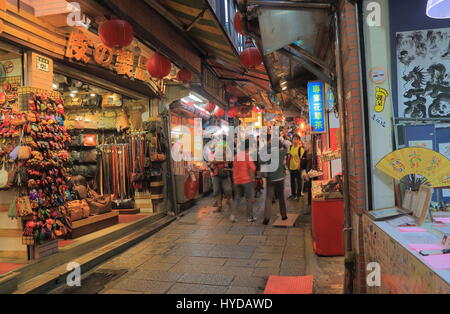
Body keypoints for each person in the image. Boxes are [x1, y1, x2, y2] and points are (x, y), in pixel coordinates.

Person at [261, 134, 288, 225]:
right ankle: (284, 215)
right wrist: (282, 144)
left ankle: (266, 218)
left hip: (271, 179)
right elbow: (286, 149)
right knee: (281, 197)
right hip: (280, 178)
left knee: (268, 198)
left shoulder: (268, 152)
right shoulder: (281, 152)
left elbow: (261, 160)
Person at [230, 139, 256, 223]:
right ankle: (249, 217)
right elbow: (253, 168)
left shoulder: (236, 156)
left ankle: (233, 216)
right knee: (249, 198)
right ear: (248, 148)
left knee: (237, 198)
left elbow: (234, 168)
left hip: (237, 181)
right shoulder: (247, 156)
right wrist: (252, 179)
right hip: (246, 181)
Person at [207, 142, 232, 213]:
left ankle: (228, 201)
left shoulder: (226, 149)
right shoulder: (211, 153)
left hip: (225, 172)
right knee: (216, 190)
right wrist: (213, 163)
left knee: (227, 190)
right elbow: (210, 162)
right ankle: (219, 206)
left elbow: (228, 160)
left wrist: (215, 161)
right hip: (215, 173)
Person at [287, 134, 306, 201]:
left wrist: (299, 167)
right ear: (292, 140)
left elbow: (302, 160)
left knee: (299, 182)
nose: (295, 141)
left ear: (299, 140)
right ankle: (293, 194)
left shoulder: (301, 149)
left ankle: (298, 195)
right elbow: (289, 157)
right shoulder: (290, 147)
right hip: (291, 168)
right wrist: (288, 166)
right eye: (294, 139)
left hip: (298, 169)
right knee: (292, 182)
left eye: (296, 139)